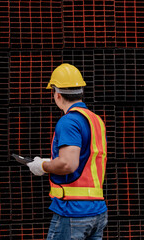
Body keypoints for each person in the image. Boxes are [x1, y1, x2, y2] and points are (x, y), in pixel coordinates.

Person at [27, 64, 108, 240]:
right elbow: (85, 159)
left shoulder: (68, 121)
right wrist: (53, 160)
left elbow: (68, 164)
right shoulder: (95, 120)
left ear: (57, 94)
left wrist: (43, 165)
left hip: (73, 211)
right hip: (97, 212)